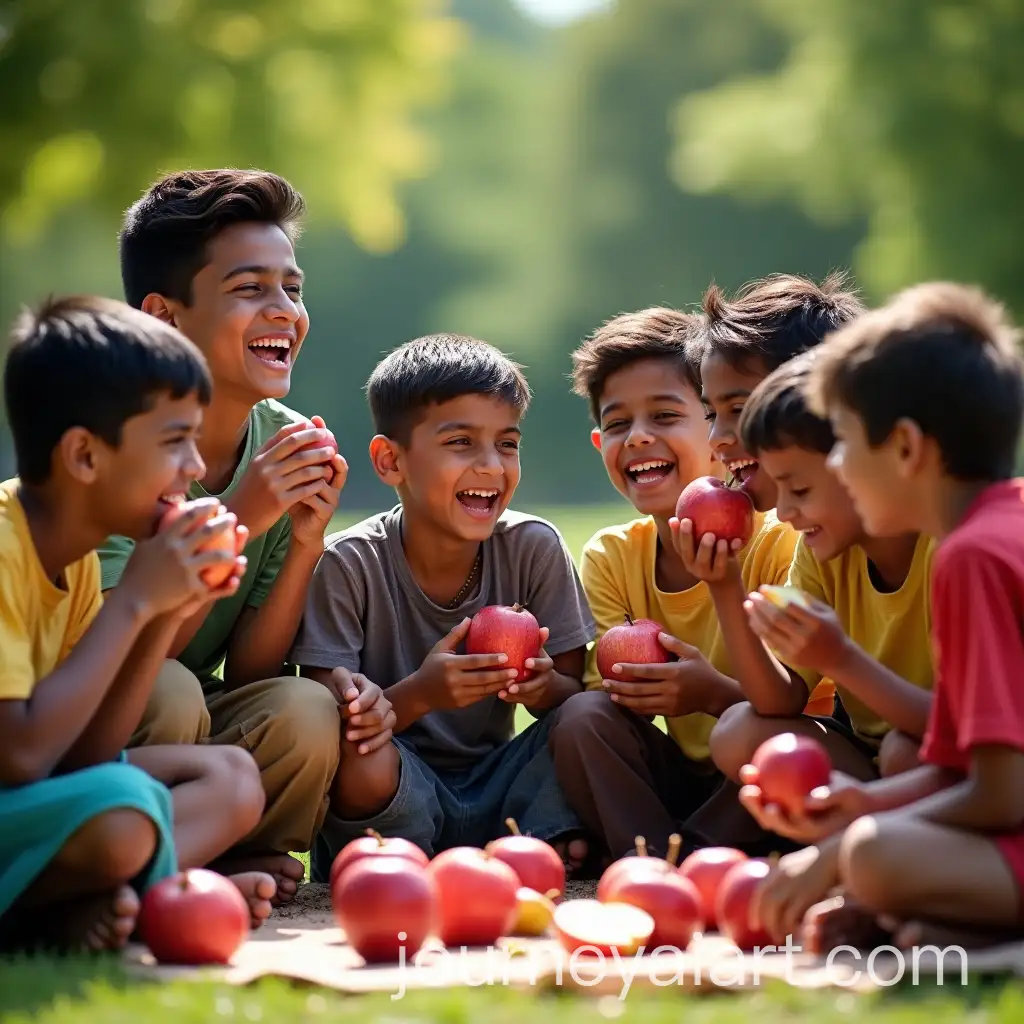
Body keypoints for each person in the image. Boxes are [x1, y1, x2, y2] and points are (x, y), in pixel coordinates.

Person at [741, 281, 1024, 952]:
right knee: (876, 845)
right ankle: (959, 935)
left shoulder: (972, 558)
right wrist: (868, 803)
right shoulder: (995, 528)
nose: (837, 465)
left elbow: (1003, 795)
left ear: (905, 447)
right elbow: (965, 764)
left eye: (839, 442)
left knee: (872, 858)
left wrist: (843, 847)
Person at [98, 169, 354, 903]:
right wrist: (245, 510)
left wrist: (304, 539)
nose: (284, 312)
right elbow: (134, 657)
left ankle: (240, 851)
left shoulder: (282, 443)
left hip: (200, 718)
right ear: (165, 316)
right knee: (169, 687)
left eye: (293, 289)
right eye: (250, 290)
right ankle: (166, 861)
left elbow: (250, 671)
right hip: (99, 719)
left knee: (304, 709)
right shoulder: (116, 451)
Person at [0, 296, 278, 954]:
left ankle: (108, 902)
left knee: (232, 779)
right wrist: (133, 605)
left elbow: (84, 755)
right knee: (124, 811)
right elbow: (21, 755)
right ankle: (115, 905)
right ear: (85, 457)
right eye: (174, 440)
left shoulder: (79, 559)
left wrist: (166, 612)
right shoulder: (7, 548)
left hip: (31, 802)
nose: (195, 469)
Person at [289, 334, 597, 884]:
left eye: (507, 444)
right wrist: (424, 694)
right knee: (364, 752)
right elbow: (332, 729)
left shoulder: (533, 546)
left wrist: (542, 688)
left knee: (582, 720)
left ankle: (534, 842)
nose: (491, 466)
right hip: (400, 784)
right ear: (390, 461)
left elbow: (572, 699)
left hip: (500, 777)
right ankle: (397, 863)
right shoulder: (347, 565)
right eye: (461, 442)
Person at [547, 308, 797, 864]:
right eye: (617, 424)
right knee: (582, 720)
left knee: (766, 733)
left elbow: (807, 716)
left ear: (716, 430)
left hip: (755, 778)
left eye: (664, 415)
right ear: (598, 444)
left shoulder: (780, 542)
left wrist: (709, 694)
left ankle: (698, 860)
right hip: (673, 779)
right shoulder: (613, 556)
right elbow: (605, 706)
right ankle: (652, 862)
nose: (638, 437)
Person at [707, 349, 934, 790]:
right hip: (872, 758)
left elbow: (962, 731)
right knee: (740, 733)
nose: (786, 512)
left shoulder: (947, 549)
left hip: (946, 757)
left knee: (904, 753)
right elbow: (778, 698)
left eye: (801, 489)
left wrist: (839, 659)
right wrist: (724, 584)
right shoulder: (822, 551)